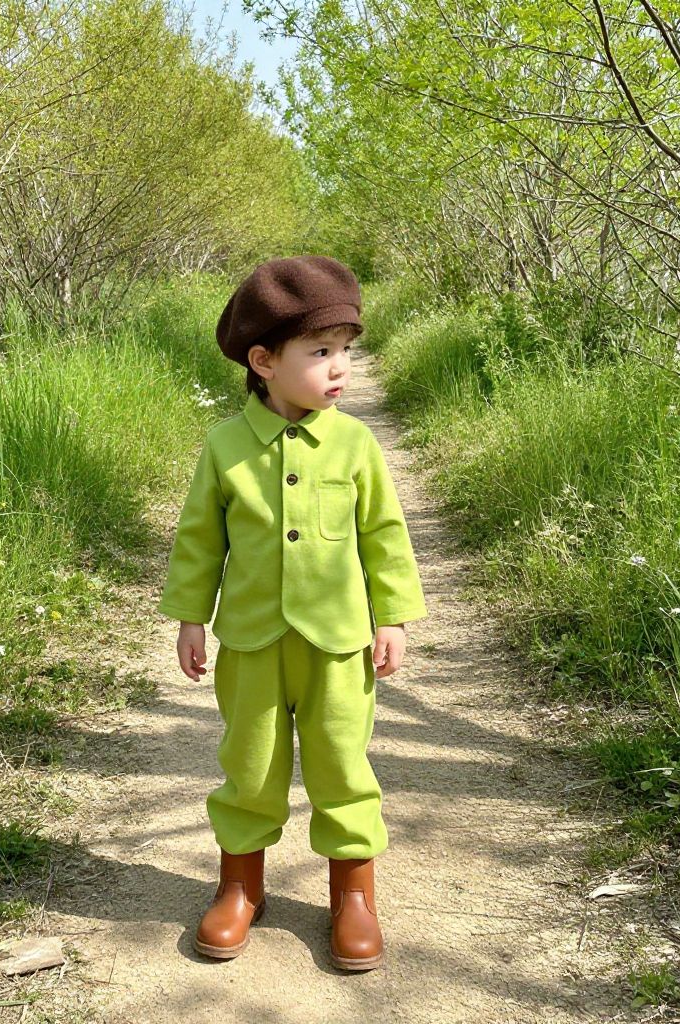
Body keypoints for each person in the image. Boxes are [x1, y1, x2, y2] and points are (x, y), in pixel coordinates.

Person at [156, 254, 428, 971]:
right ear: (264, 361)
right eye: (320, 352)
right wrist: (190, 617)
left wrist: (392, 617)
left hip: (338, 644)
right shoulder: (225, 447)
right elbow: (199, 539)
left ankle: (354, 895)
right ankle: (240, 887)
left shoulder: (355, 443)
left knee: (342, 763)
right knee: (250, 764)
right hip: (251, 642)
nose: (340, 368)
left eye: (346, 351)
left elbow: (384, 534)